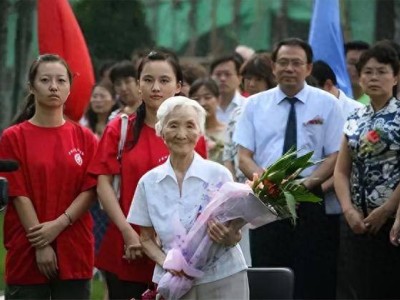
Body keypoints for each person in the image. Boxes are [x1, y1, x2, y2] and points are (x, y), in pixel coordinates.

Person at [88, 51, 207, 300]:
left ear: (179, 86)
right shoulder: (120, 129)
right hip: (128, 249)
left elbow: (201, 191)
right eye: (147, 80)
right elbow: (104, 185)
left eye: (164, 80)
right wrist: (127, 231)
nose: (156, 87)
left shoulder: (193, 134)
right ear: (138, 84)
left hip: (179, 252)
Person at [234, 38, 344, 299]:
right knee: (269, 273)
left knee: (315, 277)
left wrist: (306, 184)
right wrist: (268, 184)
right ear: (273, 66)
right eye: (283, 62)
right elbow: (243, 156)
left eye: (297, 63)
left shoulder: (327, 104)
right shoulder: (254, 105)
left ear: (308, 68)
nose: (289, 68)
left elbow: (335, 155)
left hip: (311, 200)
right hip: (266, 201)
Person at [127, 96, 248, 299]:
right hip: (174, 282)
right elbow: (146, 238)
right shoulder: (149, 182)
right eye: (173, 126)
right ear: (161, 131)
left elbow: (236, 231)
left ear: (199, 132)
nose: (181, 134)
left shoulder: (219, 174)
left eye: (190, 126)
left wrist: (230, 237)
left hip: (222, 277)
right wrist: (167, 262)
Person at [0, 54, 97, 299]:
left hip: (74, 248)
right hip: (27, 248)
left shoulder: (85, 138)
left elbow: (91, 190)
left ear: (69, 87)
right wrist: (41, 244)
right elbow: (18, 193)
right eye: (45, 80)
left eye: (61, 81)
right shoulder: (13, 137)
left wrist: (59, 224)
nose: (53, 86)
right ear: (32, 87)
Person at [335, 43, 400, 299]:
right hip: (357, 222)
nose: (374, 78)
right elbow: (341, 171)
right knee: (359, 288)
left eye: (382, 71)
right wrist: (348, 210)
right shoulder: (354, 117)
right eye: (368, 72)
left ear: (395, 77)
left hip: (392, 219)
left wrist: (386, 210)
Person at [189, 78, 226, 164]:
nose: (202, 103)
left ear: (218, 99)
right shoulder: (188, 134)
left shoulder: (229, 131)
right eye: (196, 99)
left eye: (207, 97)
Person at [210, 54, 246, 125]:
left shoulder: (247, 106)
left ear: (239, 78)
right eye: (218, 74)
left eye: (228, 74)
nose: (222, 79)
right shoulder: (205, 107)